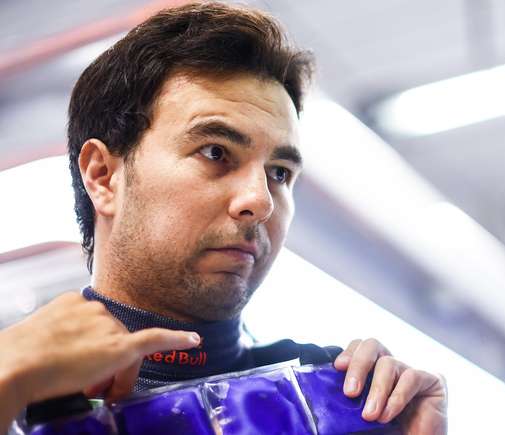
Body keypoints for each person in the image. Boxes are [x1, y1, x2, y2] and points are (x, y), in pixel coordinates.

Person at [0, 2, 448, 433]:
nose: (260, 201)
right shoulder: (20, 397)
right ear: (103, 176)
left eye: (279, 172)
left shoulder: (334, 399)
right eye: (215, 152)